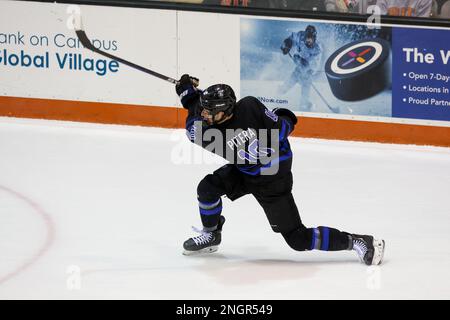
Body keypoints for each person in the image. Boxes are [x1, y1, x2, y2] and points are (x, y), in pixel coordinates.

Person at [175, 74, 385, 265]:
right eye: (204, 110)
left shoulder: (205, 130)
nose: (204, 115)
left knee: (297, 238)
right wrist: (284, 117)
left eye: (209, 111)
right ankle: (211, 234)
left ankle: (357, 241)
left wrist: (188, 93)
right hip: (244, 171)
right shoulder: (246, 108)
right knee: (207, 189)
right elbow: (283, 126)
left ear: (225, 111)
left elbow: (192, 108)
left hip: (272, 181)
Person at [279, 25, 323, 111]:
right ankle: (278, 93)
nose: (308, 40)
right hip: (298, 69)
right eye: (307, 37)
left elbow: (314, 65)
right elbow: (291, 38)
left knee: (305, 92)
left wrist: (305, 67)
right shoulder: (300, 36)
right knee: (284, 88)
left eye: (311, 38)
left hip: (307, 73)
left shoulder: (317, 49)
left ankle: (305, 105)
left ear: (314, 38)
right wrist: (287, 44)